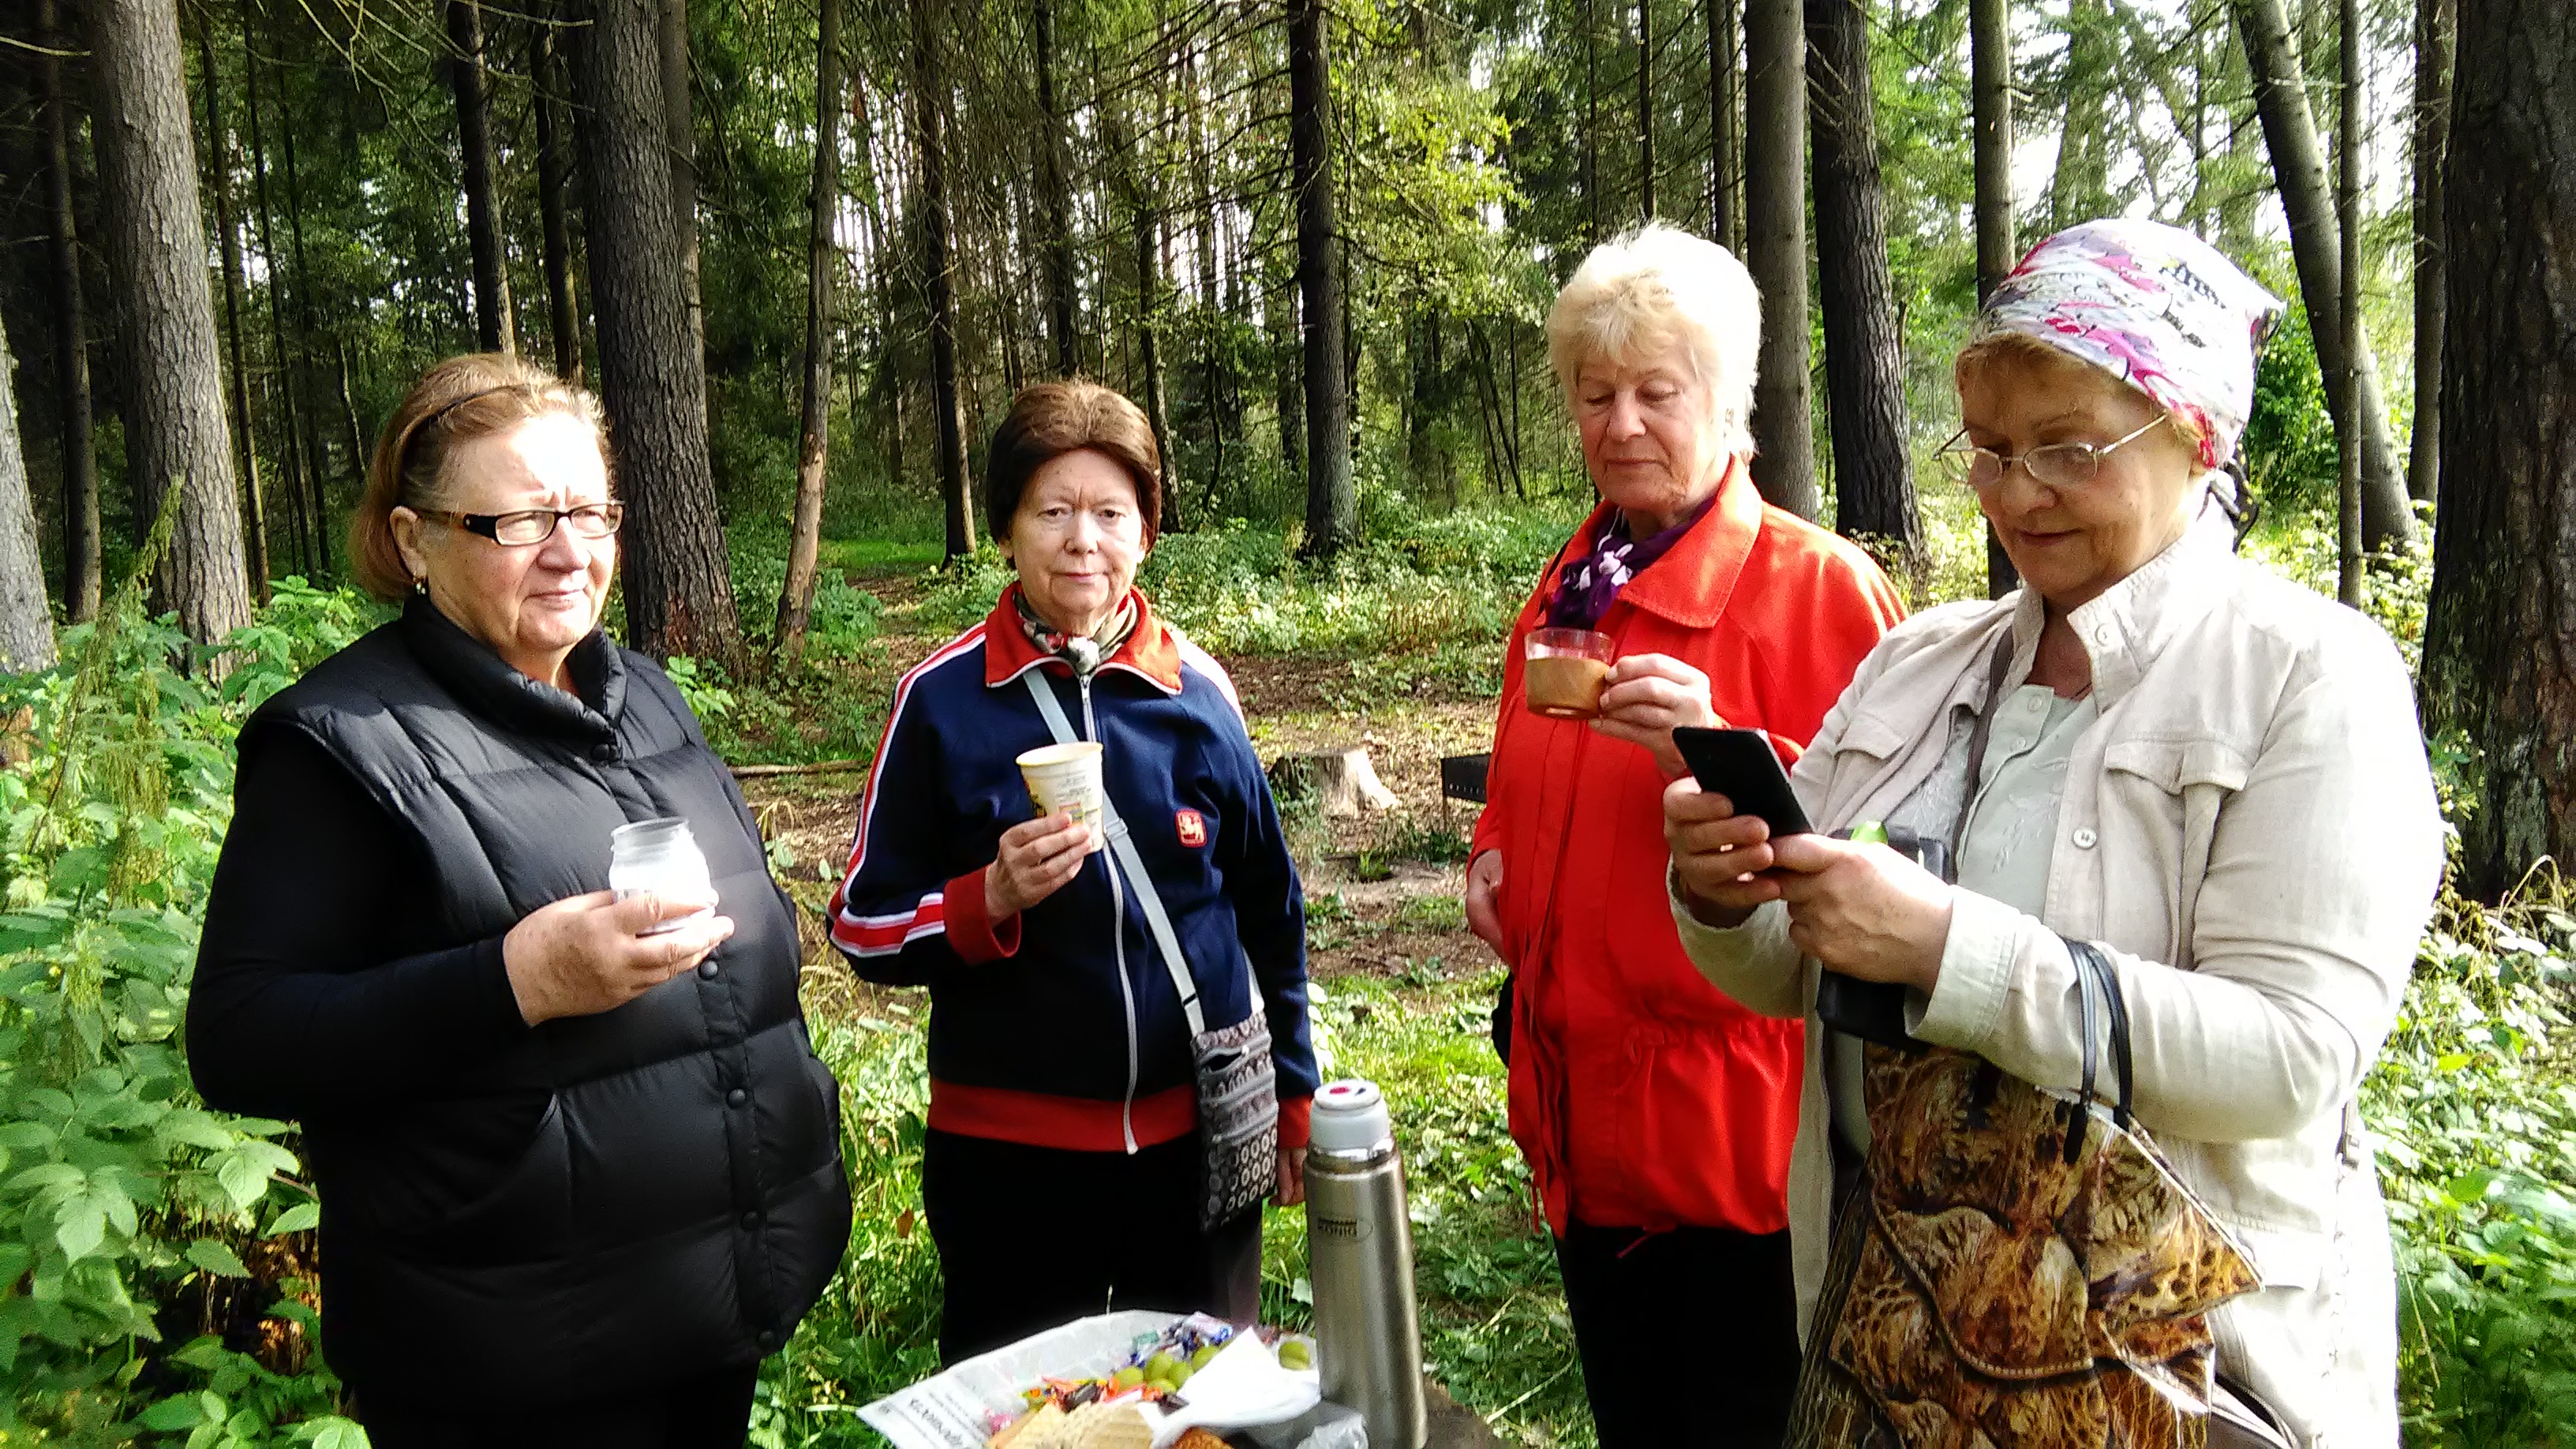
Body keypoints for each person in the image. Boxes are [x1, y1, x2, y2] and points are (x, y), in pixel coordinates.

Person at [1664, 219, 2442, 1447]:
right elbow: (1790, 967)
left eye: (2067, 448)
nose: (2018, 493)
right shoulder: (1921, 662)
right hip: (1898, 1351)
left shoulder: (2309, 678)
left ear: (2198, 436)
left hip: (2177, 1380)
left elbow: (2294, 1056)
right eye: (1988, 451)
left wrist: (1945, 950)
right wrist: (1725, 896)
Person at [187, 354, 850, 1447]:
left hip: (704, 1321)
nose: (570, 550)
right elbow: (240, 1039)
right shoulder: (340, 746)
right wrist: (517, 982)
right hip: (510, 1368)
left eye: (590, 511)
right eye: (521, 520)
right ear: (415, 541)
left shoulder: (646, 697)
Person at [1462, 224, 1907, 1449]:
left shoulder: (1823, 591)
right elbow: (1517, 787)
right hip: (1581, 1133)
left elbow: (1893, 857)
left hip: (1738, 1162)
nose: (1621, 424)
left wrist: (1719, 749)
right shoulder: (1570, 585)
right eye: (1594, 394)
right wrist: (1490, 858)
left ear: (1728, 400)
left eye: (1658, 392)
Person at [828, 380, 1317, 1364]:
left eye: (1109, 513)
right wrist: (987, 898)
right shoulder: (943, 701)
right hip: (1011, 1161)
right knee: (1021, 1418)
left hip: (1198, 1147)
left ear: (1146, 530)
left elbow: (1270, 907)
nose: (1080, 540)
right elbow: (859, 924)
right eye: (1051, 512)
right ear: (1007, 530)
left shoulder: (1199, 689)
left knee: (1198, 1410)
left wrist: (1297, 1090)